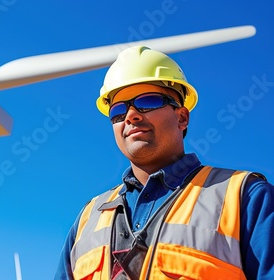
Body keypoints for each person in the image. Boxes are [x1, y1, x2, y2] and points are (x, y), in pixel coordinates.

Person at [54, 45, 274, 279]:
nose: (130, 116)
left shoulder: (247, 198)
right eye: (118, 110)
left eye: (147, 101)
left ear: (182, 117)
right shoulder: (87, 220)